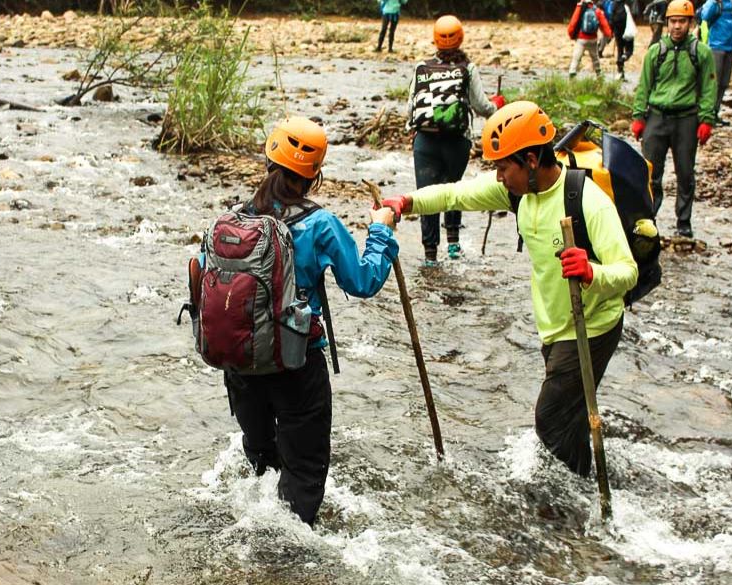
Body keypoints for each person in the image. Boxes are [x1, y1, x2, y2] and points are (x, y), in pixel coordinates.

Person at [379, 101, 638, 476]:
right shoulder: (518, 192)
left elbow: (626, 272)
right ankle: (584, 489)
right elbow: (456, 195)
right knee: (568, 421)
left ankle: (569, 507)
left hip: (592, 328)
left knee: (549, 422)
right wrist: (407, 202)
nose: (499, 177)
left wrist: (591, 272)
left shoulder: (587, 201)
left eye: (503, 167)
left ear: (531, 160)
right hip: (555, 326)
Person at [221, 117, 398, 525]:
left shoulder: (232, 221)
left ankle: (258, 549)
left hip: (242, 364)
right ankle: (289, 561)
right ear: (314, 174)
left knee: (263, 462)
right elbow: (363, 280)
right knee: (304, 474)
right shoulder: (321, 224)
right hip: (298, 365)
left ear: (267, 159)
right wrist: (380, 233)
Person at [405, 15, 503, 266]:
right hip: (456, 142)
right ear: (460, 38)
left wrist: (412, 131)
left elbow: (410, 107)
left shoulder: (421, 67)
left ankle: (429, 256)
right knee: (453, 190)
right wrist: (497, 107)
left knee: (426, 196)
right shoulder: (467, 68)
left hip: (424, 142)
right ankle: (453, 244)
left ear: (435, 39)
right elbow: (481, 105)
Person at [631, 0, 718, 238]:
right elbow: (644, 86)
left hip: (686, 119)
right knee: (650, 174)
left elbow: (709, 88)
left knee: (686, 173)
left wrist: (707, 120)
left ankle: (683, 222)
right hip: (657, 118)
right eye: (673, 22)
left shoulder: (701, 52)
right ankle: (648, 220)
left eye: (682, 21)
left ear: (690, 23)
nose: (677, 27)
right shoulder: (656, 52)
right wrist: (638, 116)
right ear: (667, 23)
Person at [699, 0, 732, 125]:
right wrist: (715, 2)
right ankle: (707, 115)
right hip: (716, 47)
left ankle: (715, 113)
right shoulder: (714, 3)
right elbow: (704, 16)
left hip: (730, 47)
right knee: (713, 83)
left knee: (723, 83)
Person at [569, 0, 614, 78]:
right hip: (593, 39)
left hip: (581, 39)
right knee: (595, 58)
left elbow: (573, 22)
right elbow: (604, 25)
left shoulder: (580, 8)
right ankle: (599, 74)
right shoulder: (597, 10)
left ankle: (572, 74)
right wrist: (609, 34)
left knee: (576, 58)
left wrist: (571, 34)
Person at [611, 0, 638, 79]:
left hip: (617, 31)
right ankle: (625, 57)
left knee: (620, 49)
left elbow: (611, 18)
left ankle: (620, 71)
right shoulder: (629, 2)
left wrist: (612, 30)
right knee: (630, 49)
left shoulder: (614, 4)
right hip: (628, 30)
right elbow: (635, 13)